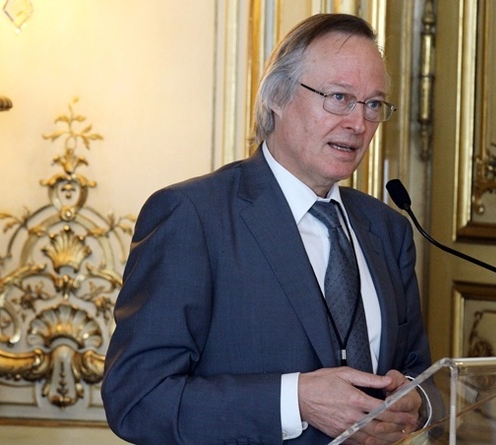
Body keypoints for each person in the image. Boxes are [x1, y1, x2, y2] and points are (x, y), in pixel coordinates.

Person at [102, 13, 436, 444]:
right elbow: (137, 400)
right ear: (277, 96)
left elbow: (421, 375)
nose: (359, 124)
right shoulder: (193, 216)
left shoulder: (387, 229)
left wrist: (418, 403)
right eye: (339, 97)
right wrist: (294, 401)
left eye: (373, 104)